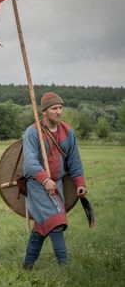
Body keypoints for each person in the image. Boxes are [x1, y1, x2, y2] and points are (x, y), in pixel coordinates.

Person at [22, 92, 87, 269]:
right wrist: (44, 180)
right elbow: (30, 163)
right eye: (54, 108)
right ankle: (64, 268)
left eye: (60, 108)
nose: (58, 112)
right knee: (57, 221)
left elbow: (74, 160)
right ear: (44, 111)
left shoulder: (67, 131)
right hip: (37, 185)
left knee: (42, 227)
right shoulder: (32, 132)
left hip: (56, 183)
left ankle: (27, 266)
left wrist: (80, 183)